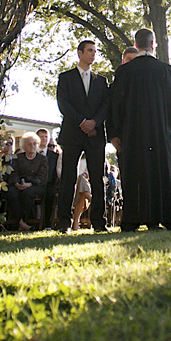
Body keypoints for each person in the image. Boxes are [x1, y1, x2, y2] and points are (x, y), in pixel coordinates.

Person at [111, 29, 171, 231]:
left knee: (134, 173)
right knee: (160, 172)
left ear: (136, 44)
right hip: (159, 131)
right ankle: (163, 217)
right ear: (153, 44)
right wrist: (169, 127)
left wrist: (118, 131)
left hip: (132, 132)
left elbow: (117, 104)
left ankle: (132, 219)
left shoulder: (124, 71)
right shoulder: (165, 70)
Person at [57, 40, 110, 233]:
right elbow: (63, 104)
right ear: (79, 53)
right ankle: (64, 222)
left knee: (97, 178)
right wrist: (82, 122)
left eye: (95, 51)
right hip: (72, 134)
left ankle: (99, 223)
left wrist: (94, 122)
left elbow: (106, 104)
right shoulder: (66, 78)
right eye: (89, 51)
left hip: (95, 135)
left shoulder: (101, 80)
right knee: (68, 177)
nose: (93, 54)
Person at [5, 132, 48, 231]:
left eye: (34, 144)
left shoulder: (42, 159)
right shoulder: (18, 158)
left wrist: (30, 184)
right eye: (29, 144)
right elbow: (14, 172)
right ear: (24, 146)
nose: (32, 146)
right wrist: (16, 183)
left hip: (36, 185)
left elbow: (42, 177)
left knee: (27, 193)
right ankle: (21, 222)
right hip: (20, 183)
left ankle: (23, 222)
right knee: (11, 193)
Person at [37, 128, 59, 228]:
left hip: (49, 185)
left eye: (46, 137)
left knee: (50, 193)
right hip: (35, 184)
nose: (44, 139)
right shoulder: (33, 154)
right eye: (41, 137)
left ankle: (47, 224)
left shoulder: (55, 156)